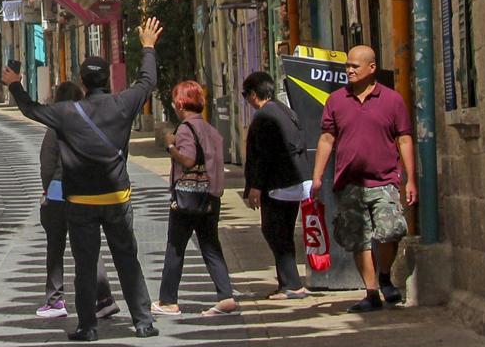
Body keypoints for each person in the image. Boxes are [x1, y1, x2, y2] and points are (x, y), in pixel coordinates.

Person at [3, 14, 163, 342]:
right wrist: (148, 47)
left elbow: (30, 109)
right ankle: (143, 322)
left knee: (85, 265)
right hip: (116, 199)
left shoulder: (66, 113)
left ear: (82, 81)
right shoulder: (122, 104)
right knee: (127, 260)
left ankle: (87, 326)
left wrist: (15, 82)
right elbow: (147, 82)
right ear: (108, 79)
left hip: (80, 203)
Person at [310, 45, 416, 313]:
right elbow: (326, 139)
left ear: (372, 68)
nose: (349, 70)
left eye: (355, 66)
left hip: (385, 180)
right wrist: (317, 176)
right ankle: (371, 292)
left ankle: (384, 276)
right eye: (347, 65)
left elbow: (404, 139)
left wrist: (410, 178)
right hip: (350, 183)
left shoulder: (392, 100)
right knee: (359, 239)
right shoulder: (336, 100)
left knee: (390, 231)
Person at [34, 79, 119, 322]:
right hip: (84, 193)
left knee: (56, 247)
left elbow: (47, 166)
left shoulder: (55, 129)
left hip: (59, 195)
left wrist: (46, 189)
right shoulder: (88, 126)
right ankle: (104, 298)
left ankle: (55, 299)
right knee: (90, 247)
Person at [152, 81, 237, 317]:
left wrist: (170, 146)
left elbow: (188, 160)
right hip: (210, 196)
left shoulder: (185, 129)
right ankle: (225, 295)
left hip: (187, 198)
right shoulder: (211, 130)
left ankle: (168, 300)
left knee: (175, 247)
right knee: (211, 245)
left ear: (180, 103)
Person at [241, 70, 314, 300]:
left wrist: (255, 187)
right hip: (294, 181)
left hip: (278, 183)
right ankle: (289, 282)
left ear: (253, 94)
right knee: (283, 232)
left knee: (274, 231)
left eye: (246, 95)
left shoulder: (265, 117)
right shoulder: (285, 110)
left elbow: (263, 155)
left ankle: (291, 284)